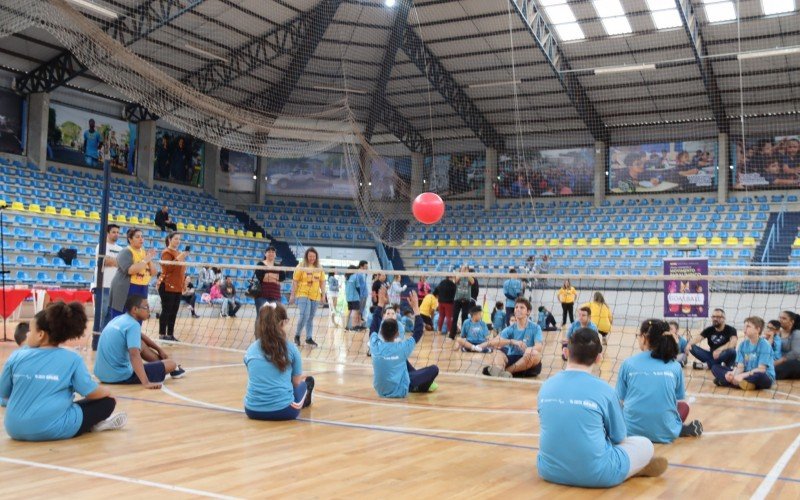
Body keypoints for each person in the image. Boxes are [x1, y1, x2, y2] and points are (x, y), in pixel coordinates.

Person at [538, 327, 668, 488]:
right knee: (645, 444)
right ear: (599, 358)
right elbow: (619, 438)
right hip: (598, 475)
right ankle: (632, 468)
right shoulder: (604, 390)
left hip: (548, 470)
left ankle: (628, 466)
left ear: (566, 353)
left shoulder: (546, 386)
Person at [0, 302, 127, 441]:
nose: (28, 334)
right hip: (52, 429)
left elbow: (3, 393)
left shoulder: (16, 356)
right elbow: (90, 391)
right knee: (107, 402)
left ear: (41, 335)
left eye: (31, 330)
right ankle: (92, 425)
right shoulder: (72, 358)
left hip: (14, 429)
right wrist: (108, 393)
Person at [617, 320, 703, 444]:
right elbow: (677, 400)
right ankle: (678, 429)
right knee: (683, 406)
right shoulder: (675, 366)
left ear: (644, 338)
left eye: (638, 336)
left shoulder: (627, 363)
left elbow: (619, 401)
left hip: (629, 432)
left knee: (623, 407)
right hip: (665, 433)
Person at [95, 295, 185, 387]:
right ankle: (174, 368)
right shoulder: (133, 325)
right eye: (146, 307)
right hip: (120, 376)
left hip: (101, 375)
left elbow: (139, 335)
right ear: (135, 309)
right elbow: (134, 355)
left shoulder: (119, 319)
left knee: (140, 344)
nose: (149, 310)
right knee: (171, 364)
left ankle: (168, 366)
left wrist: (159, 349)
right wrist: (146, 383)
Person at [243, 305, 314, 421]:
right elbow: (296, 383)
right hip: (284, 411)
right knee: (307, 381)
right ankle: (305, 400)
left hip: (252, 410)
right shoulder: (291, 348)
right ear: (282, 323)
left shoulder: (250, 350)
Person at [370, 289, 439, 397]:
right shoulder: (402, 348)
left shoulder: (375, 345)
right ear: (397, 334)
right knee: (434, 369)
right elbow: (418, 331)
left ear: (381, 332)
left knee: (401, 361)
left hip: (380, 391)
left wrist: (379, 304)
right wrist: (416, 308)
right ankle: (418, 386)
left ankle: (417, 383)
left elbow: (373, 326)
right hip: (401, 390)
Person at [483, 298, 543, 378]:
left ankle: (505, 372)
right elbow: (495, 341)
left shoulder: (535, 327)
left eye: (522, 307)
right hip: (512, 358)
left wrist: (530, 349)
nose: (518, 309)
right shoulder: (510, 329)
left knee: (534, 354)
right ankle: (500, 370)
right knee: (497, 352)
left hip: (528, 362)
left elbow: (539, 346)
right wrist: (512, 341)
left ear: (528, 312)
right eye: (516, 307)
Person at [712, 316, 775, 390]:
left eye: (748, 326)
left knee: (760, 376)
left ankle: (727, 382)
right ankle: (744, 384)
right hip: (745, 373)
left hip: (763, 376)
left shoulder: (765, 345)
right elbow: (740, 366)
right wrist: (733, 374)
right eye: (744, 326)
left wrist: (742, 375)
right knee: (715, 367)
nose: (745, 329)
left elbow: (761, 369)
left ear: (758, 329)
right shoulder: (742, 345)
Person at [109, 228, 157, 320]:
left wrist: (149, 259)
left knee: (138, 317)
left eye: (142, 237)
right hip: (127, 289)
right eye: (137, 237)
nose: (141, 239)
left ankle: (134, 334)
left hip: (142, 289)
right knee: (121, 318)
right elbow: (130, 270)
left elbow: (154, 272)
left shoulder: (144, 252)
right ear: (130, 239)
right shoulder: (125, 252)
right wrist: (146, 260)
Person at [93, 224, 122, 350]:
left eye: (117, 232)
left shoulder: (120, 248)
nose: (116, 234)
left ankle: (104, 340)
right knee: (101, 313)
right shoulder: (101, 246)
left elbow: (122, 264)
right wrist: (117, 262)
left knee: (110, 315)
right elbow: (106, 262)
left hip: (115, 286)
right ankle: (96, 340)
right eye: (114, 232)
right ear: (108, 233)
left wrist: (114, 261)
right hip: (102, 285)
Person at [289, 247, 326, 347]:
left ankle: (309, 338)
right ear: (306, 256)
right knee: (304, 315)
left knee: (310, 318)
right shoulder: (301, 265)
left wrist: (323, 295)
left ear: (316, 257)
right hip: (302, 293)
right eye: (310, 256)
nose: (312, 258)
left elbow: (322, 282)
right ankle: (297, 336)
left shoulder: (319, 267)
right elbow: (295, 280)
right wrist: (293, 295)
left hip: (315, 295)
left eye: (313, 256)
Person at [158, 232, 189, 341]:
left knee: (174, 311)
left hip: (177, 286)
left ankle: (170, 334)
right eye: (176, 239)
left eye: (179, 239)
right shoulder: (166, 252)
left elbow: (181, 271)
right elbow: (168, 268)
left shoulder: (179, 253)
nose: (178, 241)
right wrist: (180, 257)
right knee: (166, 310)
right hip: (167, 285)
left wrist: (183, 283)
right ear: (169, 240)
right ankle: (162, 334)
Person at [253, 246, 286, 313]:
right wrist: (275, 277)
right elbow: (261, 278)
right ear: (265, 254)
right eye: (269, 252)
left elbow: (282, 278)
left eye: (273, 252)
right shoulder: (260, 264)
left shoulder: (278, 266)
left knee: (274, 317)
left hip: (275, 294)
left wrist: (268, 275)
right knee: (261, 316)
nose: (271, 253)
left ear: (275, 254)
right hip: (262, 294)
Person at [450, 265, 475, 339]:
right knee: (455, 317)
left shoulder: (469, 277)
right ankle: (452, 335)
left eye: (466, 269)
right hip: (457, 299)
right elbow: (456, 281)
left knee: (465, 317)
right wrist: (461, 272)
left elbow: (472, 282)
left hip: (466, 300)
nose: (464, 270)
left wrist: (467, 273)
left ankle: (464, 334)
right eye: (463, 269)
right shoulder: (458, 276)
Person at [776, 310, 800, 380]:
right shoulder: (777, 333)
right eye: (780, 318)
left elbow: (796, 353)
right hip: (777, 360)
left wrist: (780, 360)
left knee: (776, 370)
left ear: (792, 322)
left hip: (794, 362)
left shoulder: (797, 333)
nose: (780, 320)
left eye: (784, 318)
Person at [345, 266, 363, 331]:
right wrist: (360, 295)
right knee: (355, 311)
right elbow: (358, 287)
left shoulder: (347, 277)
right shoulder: (355, 276)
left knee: (349, 311)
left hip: (348, 297)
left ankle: (346, 326)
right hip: (355, 297)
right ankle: (354, 326)